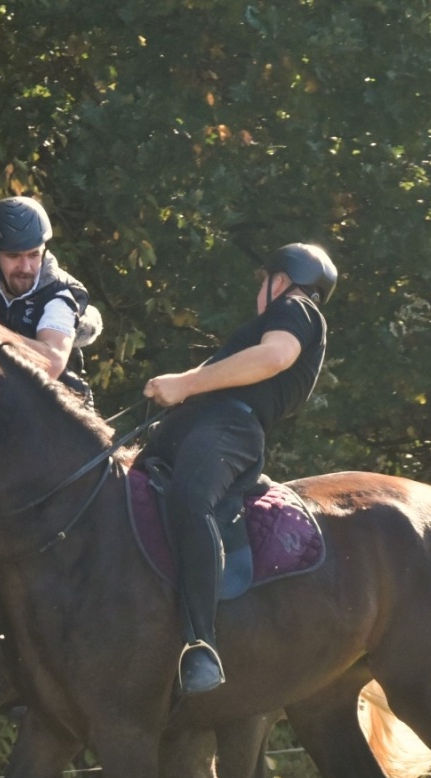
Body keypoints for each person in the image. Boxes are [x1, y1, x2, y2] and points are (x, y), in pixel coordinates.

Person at [139, 243, 336, 694]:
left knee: (191, 498)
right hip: (193, 425)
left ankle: (199, 643)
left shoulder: (297, 308)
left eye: (262, 281)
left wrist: (186, 383)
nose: (259, 292)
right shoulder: (276, 315)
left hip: (228, 428)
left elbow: (274, 357)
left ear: (280, 280)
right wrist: (177, 390)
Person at [0, 196, 100, 398]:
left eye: (33, 255)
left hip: (51, 406)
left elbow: (52, 364)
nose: (26, 267)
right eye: (13, 256)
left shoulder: (58, 294)